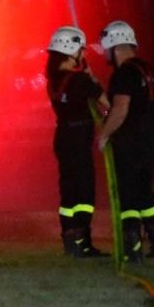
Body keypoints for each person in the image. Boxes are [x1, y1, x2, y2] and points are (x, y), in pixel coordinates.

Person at [93, 20, 154, 262]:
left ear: (113, 46)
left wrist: (104, 134)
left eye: (105, 49)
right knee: (144, 190)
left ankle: (132, 248)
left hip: (130, 142)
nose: (104, 54)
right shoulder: (152, 71)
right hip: (152, 140)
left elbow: (120, 109)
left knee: (127, 193)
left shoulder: (123, 73)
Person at [44, 26, 106, 258]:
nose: (84, 54)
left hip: (63, 138)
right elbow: (107, 104)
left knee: (68, 192)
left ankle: (70, 238)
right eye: (81, 49)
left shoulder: (53, 80)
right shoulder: (80, 79)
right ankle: (84, 242)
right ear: (71, 51)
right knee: (84, 194)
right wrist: (94, 81)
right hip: (80, 140)